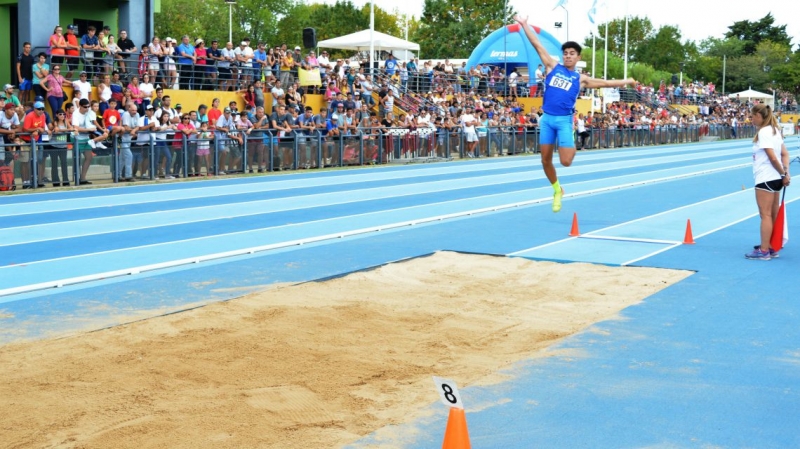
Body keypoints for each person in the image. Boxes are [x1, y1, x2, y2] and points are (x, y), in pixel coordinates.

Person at [515, 15, 635, 212]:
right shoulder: (552, 66)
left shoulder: (581, 79)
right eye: (565, 53)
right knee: (545, 160)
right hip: (547, 119)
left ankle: (570, 139)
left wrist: (626, 80)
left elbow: (605, 83)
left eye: (572, 53)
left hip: (564, 121)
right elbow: (536, 43)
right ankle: (557, 190)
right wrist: (524, 24)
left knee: (566, 161)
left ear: (578, 57)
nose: (568, 56)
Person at [746, 104, 790, 260]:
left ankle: (764, 250)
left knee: (765, 215)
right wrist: (786, 173)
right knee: (772, 214)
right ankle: (771, 247)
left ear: (759, 115)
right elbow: (785, 154)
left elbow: (772, 157)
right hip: (775, 178)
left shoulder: (764, 132)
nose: (751, 119)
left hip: (765, 177)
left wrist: (783, 173)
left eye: (752, 116)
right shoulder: (775, 131)